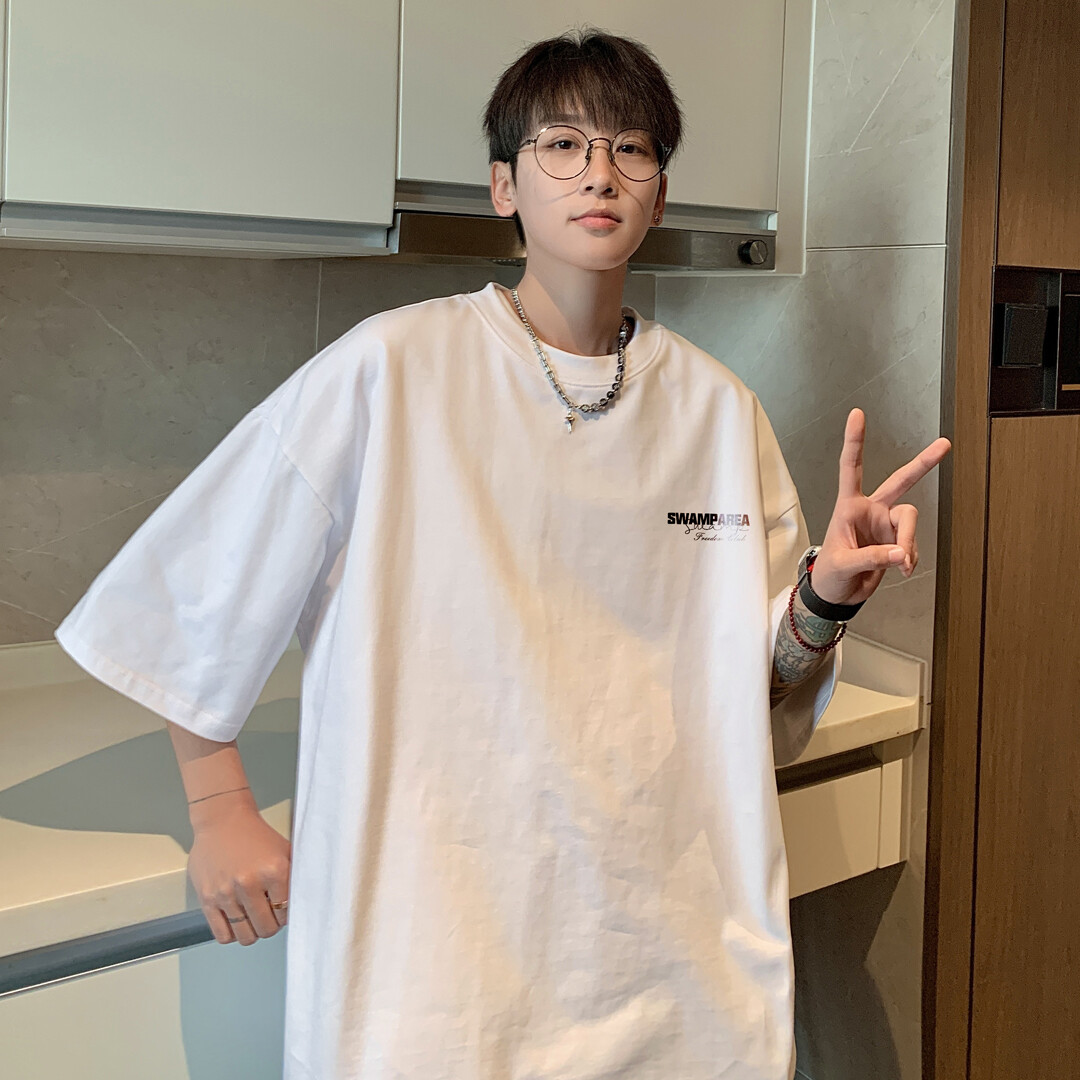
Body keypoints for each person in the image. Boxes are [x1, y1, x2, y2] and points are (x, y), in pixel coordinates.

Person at [53, 27, 950, 1080]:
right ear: (502, 187)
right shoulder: (390, 370)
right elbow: (192, 594)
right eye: (562, 145)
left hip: (670, 945)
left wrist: (826, 596)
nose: (599, 174)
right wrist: (219, 810)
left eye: (631, 148)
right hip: (442, 950)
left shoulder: (717, 410)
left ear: (661, 194)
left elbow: (750, 687)